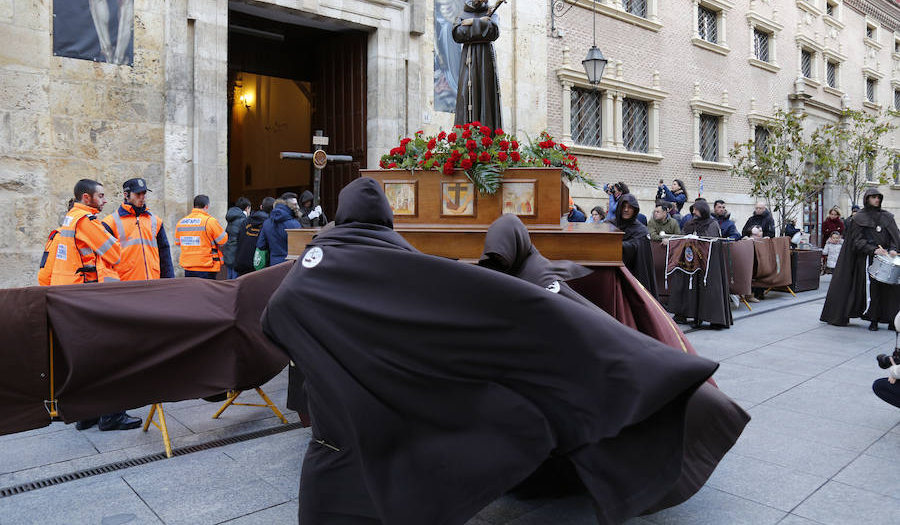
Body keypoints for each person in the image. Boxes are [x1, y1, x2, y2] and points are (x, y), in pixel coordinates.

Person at [262, 178, 748, 525]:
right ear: (386, 218)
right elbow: (477, 304)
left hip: (338, 436)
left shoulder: (309, 267)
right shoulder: (405, 261)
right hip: (407, 416)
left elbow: (275, 319)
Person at [42, 180, 143, 432]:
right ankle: (112, 415)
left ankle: (86, 414)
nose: (105, 200)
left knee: (84, 359)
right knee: (109, 356)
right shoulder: (87, 221)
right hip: (90, 299)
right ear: (86, 198)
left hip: (70, 299)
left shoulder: (67, 222)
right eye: (101, 196)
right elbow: (115, 253)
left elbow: (46, 272)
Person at [821, 188, 900, 331]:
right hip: (867, 260)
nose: (876, 200)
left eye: (878, 197)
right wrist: (873, 249)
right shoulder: (858, 218)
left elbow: (895, 236)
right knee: (872, 290)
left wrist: (893, 249)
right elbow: (856, 241)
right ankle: (873, 319)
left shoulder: (887, 217)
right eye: (873, 197)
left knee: (892, 291)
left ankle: (891, 320)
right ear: (867, 199)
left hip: (887, 259)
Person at [102, 178, 174, 281]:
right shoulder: (110, 223)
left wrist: (169, 281)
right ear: (126, 195)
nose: (142, 197)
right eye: (137, 194)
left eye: (144, 193)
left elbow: (165, 255)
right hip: (125, 285)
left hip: (152, 283)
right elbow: (105, 261)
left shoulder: (156, 221)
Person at [453, 0, 502, 129]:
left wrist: (470, 24)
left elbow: (494, 33)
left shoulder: (493, 13)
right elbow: (457, 34)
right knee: (465, 92)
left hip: (486, 58)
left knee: (486, 92)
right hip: (468, 58)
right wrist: (481, 24)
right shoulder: (461, 12)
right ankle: (466, 135)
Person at [614, 193, 657, 297]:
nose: (626, 210)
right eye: (623, 206)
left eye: (630, 207)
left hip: (634, 274)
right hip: (613, 274)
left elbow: (636, 247)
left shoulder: (641, 230)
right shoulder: (610, 225)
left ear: (635, 210)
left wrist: (615, 246)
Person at [174, 195, 227, 279]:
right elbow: (223, 240)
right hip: (207, 267)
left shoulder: (181, 222)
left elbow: (177, 242)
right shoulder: (210, 221)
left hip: (188, 267)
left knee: (192, 291)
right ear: (206, 206)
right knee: (206, 292)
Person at [233, 197, 274, 276]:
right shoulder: (270, 224)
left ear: (261, 207)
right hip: (259, 265)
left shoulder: (245, 221)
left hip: (242, 262)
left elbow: (238, 239)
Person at [257, 199, 301, 266]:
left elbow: (261, 245)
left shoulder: (266, 223)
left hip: (274, 264)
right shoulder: (295, 224)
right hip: (291, 264)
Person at [224, 197, 251, 278]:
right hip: (237, 254)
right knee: (236, 281)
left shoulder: (232, 217)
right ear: (247, 208)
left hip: (229, 252)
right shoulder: (243, 220)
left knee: (229, 279)